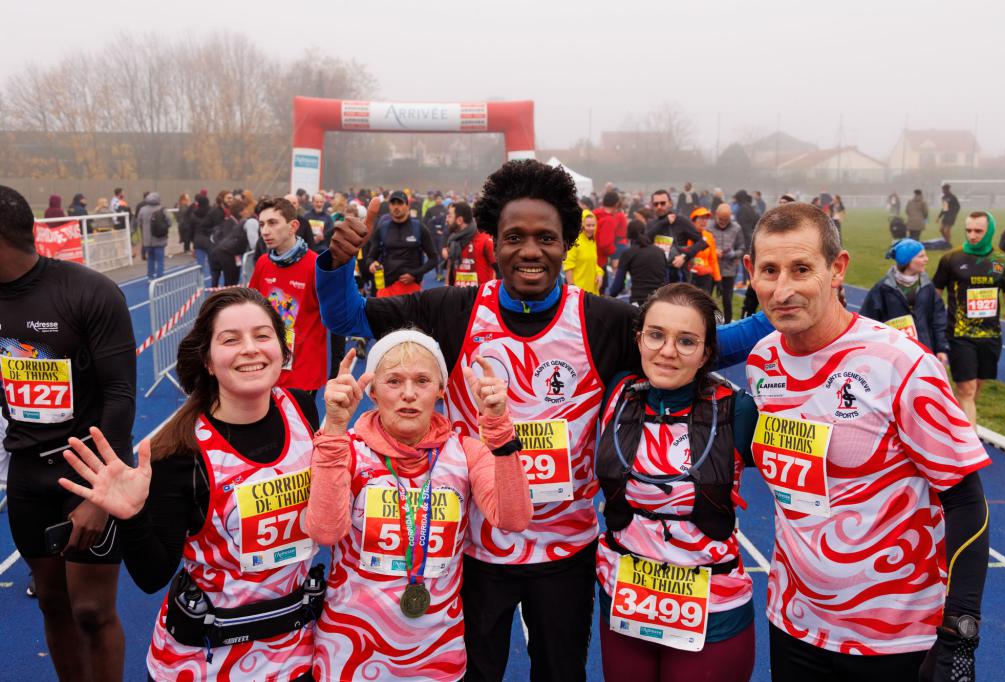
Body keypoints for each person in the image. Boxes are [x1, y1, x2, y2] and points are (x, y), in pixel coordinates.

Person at [314, 159, 774, 681]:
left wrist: (782, 300)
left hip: (567, 552)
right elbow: (347, 317)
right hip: (477, 549)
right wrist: (334, 263)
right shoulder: (455, 310)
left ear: (567, 243)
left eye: (546, 238)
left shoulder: (603, 320)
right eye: (514, 237)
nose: (530, 251)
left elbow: (711, 345)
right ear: (493, 241)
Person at [744, 202, 992, 681]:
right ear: (750, 272)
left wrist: (961, 636)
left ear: (838, 269)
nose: (783, 289)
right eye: (769, 271)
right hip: (793, 623)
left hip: (894, 642)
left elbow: (966, 501)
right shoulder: (762, 362)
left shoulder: (902, 365)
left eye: (801, 269)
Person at [58, 287, 323, 681]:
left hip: (296, 653)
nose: (250, 349)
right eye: (231, 339)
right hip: (204, 662)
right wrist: (131, 516)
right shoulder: (178, 452)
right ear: (209, 361)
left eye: (262, 335)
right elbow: (151, 577)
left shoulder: (301, 408)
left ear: (282, 350)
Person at [306, 332, 532, 681]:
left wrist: (499, 429)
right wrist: (334, 427)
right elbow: (324, 532)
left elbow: (513, 517)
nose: (408, 394)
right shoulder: (345, 449)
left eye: (422, 381)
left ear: (441, 389)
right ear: (373, 391)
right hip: (348, 653)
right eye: (394, 381)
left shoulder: (465, 452)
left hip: (437, 654)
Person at [0, 184, 135, 681]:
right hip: (27, 474)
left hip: (88, 474)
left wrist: (102, 493)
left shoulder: (88, 292)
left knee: (92, 613)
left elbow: (120, 396)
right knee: (53, 604)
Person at [595, 283, 758, 682]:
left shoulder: (737, 409)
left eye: (687, 341)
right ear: (639, 339)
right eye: (656, 335)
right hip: (623, 598)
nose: (667, 351)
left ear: (706, 353)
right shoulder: (616, 391)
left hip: (711, 610)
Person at [933, 211, 1005, 425]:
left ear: (989, 231)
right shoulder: (951, 258)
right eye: (968, 230)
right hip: (959, 334)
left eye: (978, 231)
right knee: (967, 389)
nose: (972, 235)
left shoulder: (1001, 259)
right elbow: (935, 293)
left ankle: (953, 422)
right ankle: (968, 447)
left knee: (975, 389)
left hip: (990, 335)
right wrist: (932, 324)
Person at [248, 197, 328, 395]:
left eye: (273, 223)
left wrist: (335, 370)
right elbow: (251, 308)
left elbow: (334, 320)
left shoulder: (316, 265)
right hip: (268, 367)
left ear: (293, 226)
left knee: (301, 426)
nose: (265, 230)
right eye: (262, 224)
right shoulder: (263, 263)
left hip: (303, 373)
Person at [860, 238, 949, 360]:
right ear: (907, 261)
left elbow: (938, 318)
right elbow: (868, 322)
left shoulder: (927, 286)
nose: (926, 259)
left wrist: (941, 348)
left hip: (924, 353)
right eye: (921, 256)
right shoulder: (883, 289)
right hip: (894, 355)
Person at [367, 190, 439, 298]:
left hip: (411, 288)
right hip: (387, 288)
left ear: (407, 206)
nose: (396, 207)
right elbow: (370, 258)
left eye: (400, 203)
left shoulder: (419, 228)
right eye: (393, 203)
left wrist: (415, 273)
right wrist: (372, 264)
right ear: (389, 206)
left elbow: (434, 259)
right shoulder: (382, 228)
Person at [646, 189, 706, 283]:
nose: (659, 207)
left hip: (678, 275)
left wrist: (684, 256)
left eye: (662, 203)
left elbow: (701, 242)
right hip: (657, 275)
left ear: (670, 203)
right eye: (656, 204)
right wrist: (664, 223)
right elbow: (644, 240)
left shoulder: (681, 221)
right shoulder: (652, 224)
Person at [607, 219, 667, 305]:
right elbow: (665, 278)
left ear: (628, 234)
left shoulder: (628, 253)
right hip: (660, 300)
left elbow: (618, 285)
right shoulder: (659, 251)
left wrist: (608, 297)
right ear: (644, 231)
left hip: (639, 301)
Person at [443, 201, 496, 288]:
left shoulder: (485, 240)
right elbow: (450, 267)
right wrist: (446, 287)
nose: (447, 219)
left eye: (449, 216)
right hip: (458, 297)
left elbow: (497, 270)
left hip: (480, 297)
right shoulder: (453, 240)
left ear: (459, 220)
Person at [709, 203, 745, 323]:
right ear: (716, 215)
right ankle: (708, 322)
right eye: (721, 219)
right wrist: (713, 251)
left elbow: (742, 248)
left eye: (726, 219)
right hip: (711, 269)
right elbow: (701, 246)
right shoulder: (709, 227)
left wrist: (734, 254)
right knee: (706, 299)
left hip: (729, 270)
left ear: (731, 217)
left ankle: (728, 324)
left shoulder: (736, 228)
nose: (723, 222)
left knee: (727, 300)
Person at [564, 209, 602, 294]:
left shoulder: (591, 242)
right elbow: (568, 267)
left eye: (593, 225)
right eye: (588, 225)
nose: (591, 228)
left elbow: (593, 263)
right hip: (579, 292)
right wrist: (572, 289)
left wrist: (599, 274)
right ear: (581, 225)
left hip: (592, 291)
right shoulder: (575, 242)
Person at [210, 202, 248, 287]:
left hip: (225, 253)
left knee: (227, 280)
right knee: (229, 281)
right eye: (245, 210)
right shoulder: (230, 223)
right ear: (240, 212)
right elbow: (226, 240)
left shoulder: (235, 222)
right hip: (223, 253)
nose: (247, 211)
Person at [684, 207, 720, 295]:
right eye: (701, 218)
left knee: (704, 305)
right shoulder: (685, 236)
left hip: (705, 277)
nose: (704, 221)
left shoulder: (709, 236)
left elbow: (713, 259)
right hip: (690, 276)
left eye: (706, 218)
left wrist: (718, 279)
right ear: (693, 220)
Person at [137, 191, 170, 280]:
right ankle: (160, 278)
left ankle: (150, 277)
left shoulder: (143, 210)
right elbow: (169, 222)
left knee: (150, 259)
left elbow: (139, 222)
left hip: (147, 240)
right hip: (160, 239)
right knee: (160, 260)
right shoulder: (163, 209)